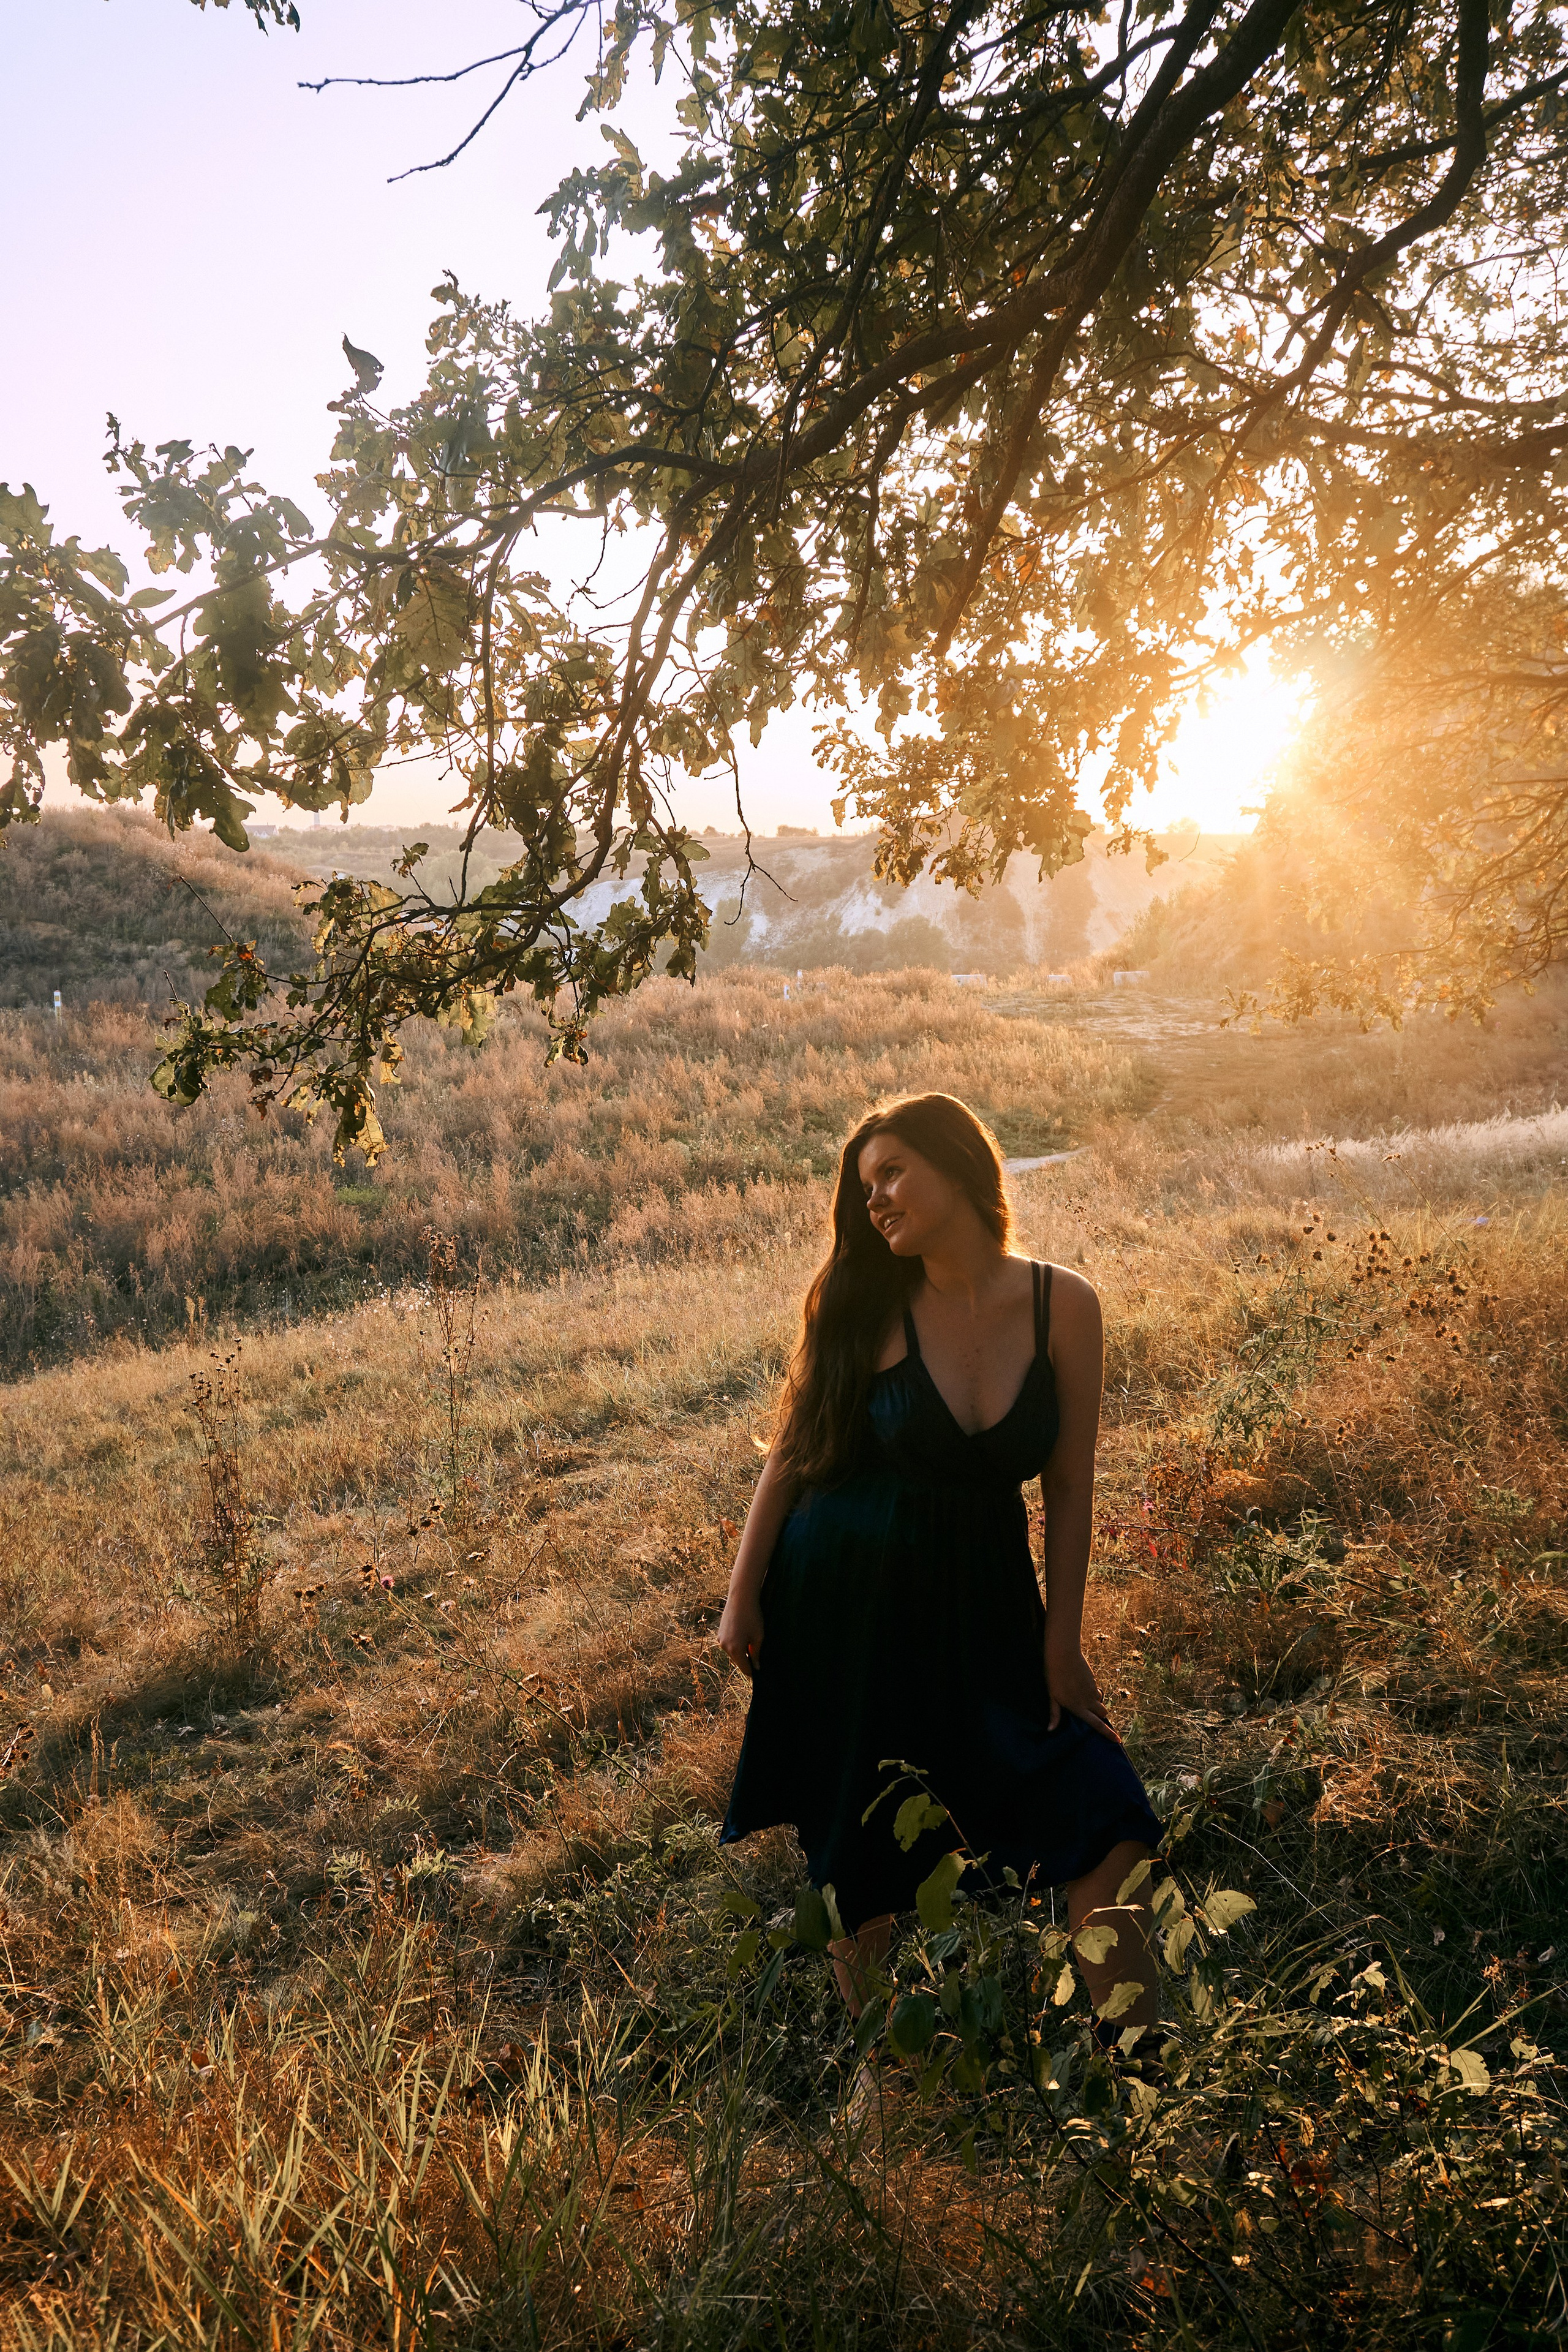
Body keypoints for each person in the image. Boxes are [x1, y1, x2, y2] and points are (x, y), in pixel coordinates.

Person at [717, 1092, 1162, 2047]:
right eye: (862, 1185)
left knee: (1101, 1803)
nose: (874, 1199)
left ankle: (1143, 2062)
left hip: (987, 1599)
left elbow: (1071, 1490)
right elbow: (794, 1449)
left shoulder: (1061, 1302)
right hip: (849, 1600)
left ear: (960, 1165)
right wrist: (743, 1593)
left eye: (891, 1172)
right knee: (859, 1838)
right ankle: (885, 2077)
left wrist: (1061, 1644)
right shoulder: (864, 1301)